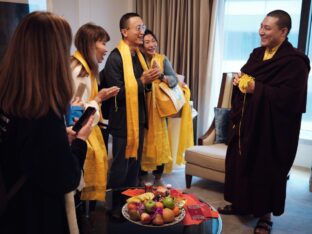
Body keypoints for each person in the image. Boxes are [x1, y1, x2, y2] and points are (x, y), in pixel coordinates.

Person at [0, 11, 94, 234]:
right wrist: (79, 141)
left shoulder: (9, 98)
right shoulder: (43, 114)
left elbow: (26, 151)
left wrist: (61, 138)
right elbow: (66, 178)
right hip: (36, 216)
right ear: (52, 54)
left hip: (12, 212)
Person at [218, 10, 310, 234]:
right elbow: (247, 75)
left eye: (267, 28)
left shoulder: (296, 61)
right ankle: (241, 203)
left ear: (283, 31)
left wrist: (255, 88)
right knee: (241, 165)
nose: (261, 31)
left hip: (273, 129)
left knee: (265, 170)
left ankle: (265, 215)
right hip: (248, 123)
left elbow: (291, 98)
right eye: (261, 26)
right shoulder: (257, 54)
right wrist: (241, 81)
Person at [100, 13, 161, 218]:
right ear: (124, 32)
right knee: (120, 166)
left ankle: (130, 204)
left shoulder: (140, 55)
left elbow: (143, 86)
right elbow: (116, 91)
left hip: (139, 118)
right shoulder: (116, 57)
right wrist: (141, 81)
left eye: (143, 27)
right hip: (121, 121)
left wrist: (150, 78)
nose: (141, 31)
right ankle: (114, 207)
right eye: (137, 28)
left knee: (134, 166)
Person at [70, 23, 119, 203]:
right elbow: (77, 114)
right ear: (91, 44)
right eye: (103, 43)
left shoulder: (81, 67)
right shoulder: (80, 72)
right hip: (78, 136)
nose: (106, 49)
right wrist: (98, 99)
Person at [139, 29, 179, 186]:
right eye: (147, 42)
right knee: (143, 140)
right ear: (141, 45)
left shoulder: (162, 59)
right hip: (142, 104)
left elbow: (174, 80)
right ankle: (141, 175)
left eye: (153, 41)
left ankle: (158, 176)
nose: (151, 44)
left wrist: (161, 75)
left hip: (159, 106)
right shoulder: (138, 59)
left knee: (161, 140)